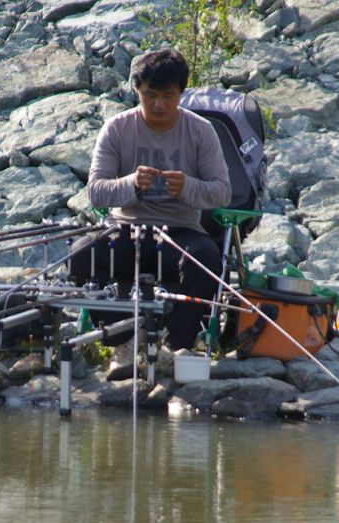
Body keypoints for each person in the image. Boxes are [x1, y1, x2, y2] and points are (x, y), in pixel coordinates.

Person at [70, 48, 231, 375]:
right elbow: (96, 191)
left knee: (209, 263)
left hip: (181, 232)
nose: (158, 104)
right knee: (80, 254)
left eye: (168, 96)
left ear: (181, 94)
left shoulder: (200, 131)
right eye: (150, 95)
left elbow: (222, 192)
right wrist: (131, 184)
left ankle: (175, 346)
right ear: (137, 92)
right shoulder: (117, 128)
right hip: (126, 229)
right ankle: (122, 341)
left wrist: (187, 187)